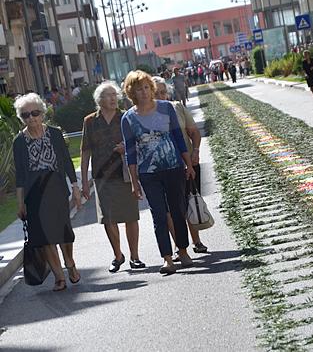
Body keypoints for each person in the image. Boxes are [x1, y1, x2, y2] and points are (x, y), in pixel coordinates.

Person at [121, 70, 195, 275]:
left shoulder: (166, 108)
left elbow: (179, 137)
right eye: (138, 89)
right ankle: (167, 258)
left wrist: (188, 164)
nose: (143, 92)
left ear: (151, 88)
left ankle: (183, 251)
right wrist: (135, 182)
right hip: (148, 173)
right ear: (131, 93)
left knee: (178, 210)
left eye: (146, 87)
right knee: (159, 215)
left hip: (173, 167)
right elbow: (130, 152)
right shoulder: (128, 118)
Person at [13, 93, 81, 291]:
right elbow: (20, 176)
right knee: (44, 237)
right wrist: (20, 203)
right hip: (33, 193)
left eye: (35, 113)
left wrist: (75, 187)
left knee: (63, 232)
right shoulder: (19, 141)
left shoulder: (54, 133)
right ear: (21, 118)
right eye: (26, 115)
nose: (31, 118)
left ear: (42, 113)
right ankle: (59, 276)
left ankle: (70, 263)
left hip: (56, 188)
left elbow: (67, 162)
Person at [80, 81, 146, 273]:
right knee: (108, 219)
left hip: (125, 174)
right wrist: (84, 182)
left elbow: (138, 143)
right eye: (108, 95)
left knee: (130, 216)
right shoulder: (90, 121)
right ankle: (118, 255)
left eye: (114, 95)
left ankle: (135, 256)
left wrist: (126, 149)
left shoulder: (126, 117)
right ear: (99, 100)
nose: (112, 98)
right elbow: (85, 152)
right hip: (102, 177)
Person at [152, 76, 208, 253]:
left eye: (163, 92)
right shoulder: (147, 116)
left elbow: (193, 132)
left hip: (187, 164)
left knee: (189, 203)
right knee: (171, 208)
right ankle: (178, 245)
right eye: (157, 93)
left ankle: (196, 241)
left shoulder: (177, 107)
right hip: (165, 168)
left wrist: (196, 151)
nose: (161, 96)